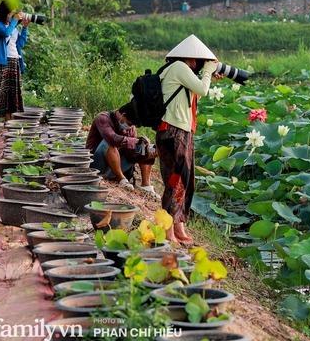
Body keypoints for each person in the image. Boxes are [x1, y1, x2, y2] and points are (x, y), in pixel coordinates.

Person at [155, 34, 222, 245]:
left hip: (182, 131)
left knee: (185, 180)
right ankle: (167, 231)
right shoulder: (179, 67)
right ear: (191, 58)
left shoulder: (180, 70)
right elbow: (202, 88)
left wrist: (207, 77)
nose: (201, 64)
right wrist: (208, 73)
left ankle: (178, 225)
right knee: (176, 181)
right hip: (173, 131)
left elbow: (194, 95)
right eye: (201, 61)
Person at [85, 102, 160, 199]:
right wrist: (136, 140)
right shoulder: (103, 119)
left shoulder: (131, 128)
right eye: (131, 123)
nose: (130, 127)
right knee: (108, 142)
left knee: (144, 147)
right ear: (123, 115)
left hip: (114, 168)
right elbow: (112, 139)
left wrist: (146, 156)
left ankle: (146, 185)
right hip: (97, 166)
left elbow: (130, 155)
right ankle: (121, 179)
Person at [0, 1, 28, 130]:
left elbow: (20, 43)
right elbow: (5, 33)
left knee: (11, 91)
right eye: (10, 12)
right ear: (4, 12)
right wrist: (15, 21)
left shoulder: (14, 26)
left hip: (14, 60)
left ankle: (7, 121)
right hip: (1, 60)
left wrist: (24, 28)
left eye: (13, 13)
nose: (12, 15)